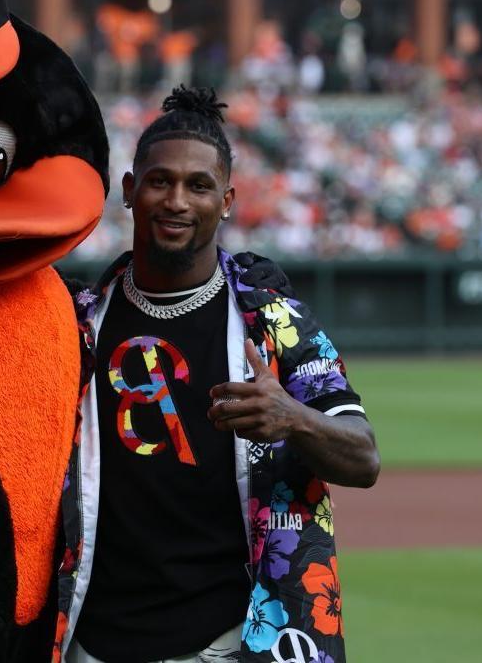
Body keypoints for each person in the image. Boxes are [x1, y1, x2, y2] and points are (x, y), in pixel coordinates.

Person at [56, 86, 380, 663]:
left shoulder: (277, 325)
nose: (177, 200)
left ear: (226, 200)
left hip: (227, 642)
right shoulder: (75, 323)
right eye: (160, 181)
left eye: (198, 185)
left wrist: (294, 418)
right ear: (129, 191)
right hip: (89, 640)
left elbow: (363, 458)